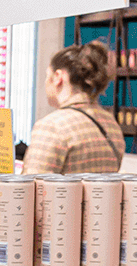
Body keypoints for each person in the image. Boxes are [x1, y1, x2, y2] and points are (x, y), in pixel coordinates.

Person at [23, 39, 126, 175]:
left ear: (58, 77)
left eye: (48, 76)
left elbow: (31, 187)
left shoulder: (52, 126)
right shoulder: (111, 124)